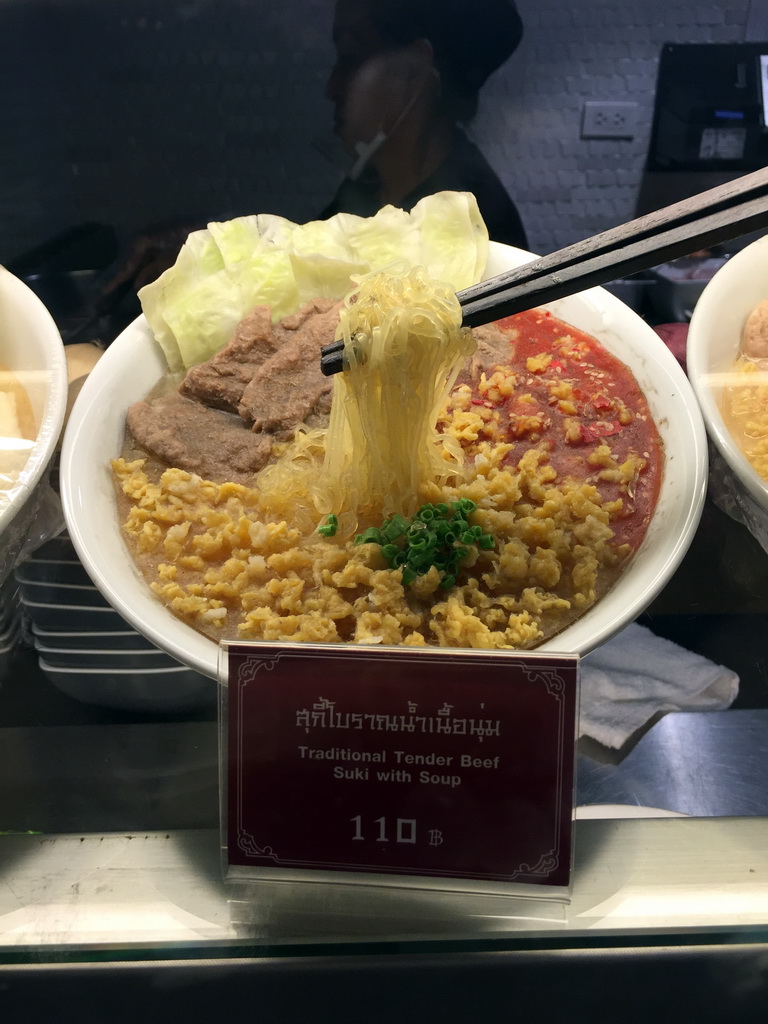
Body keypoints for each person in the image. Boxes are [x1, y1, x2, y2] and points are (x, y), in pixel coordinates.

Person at [321, 0, 528, 249]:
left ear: (412, 73)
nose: (331, 88)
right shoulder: (367, 186)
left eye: (349, 56)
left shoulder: (476, 232)